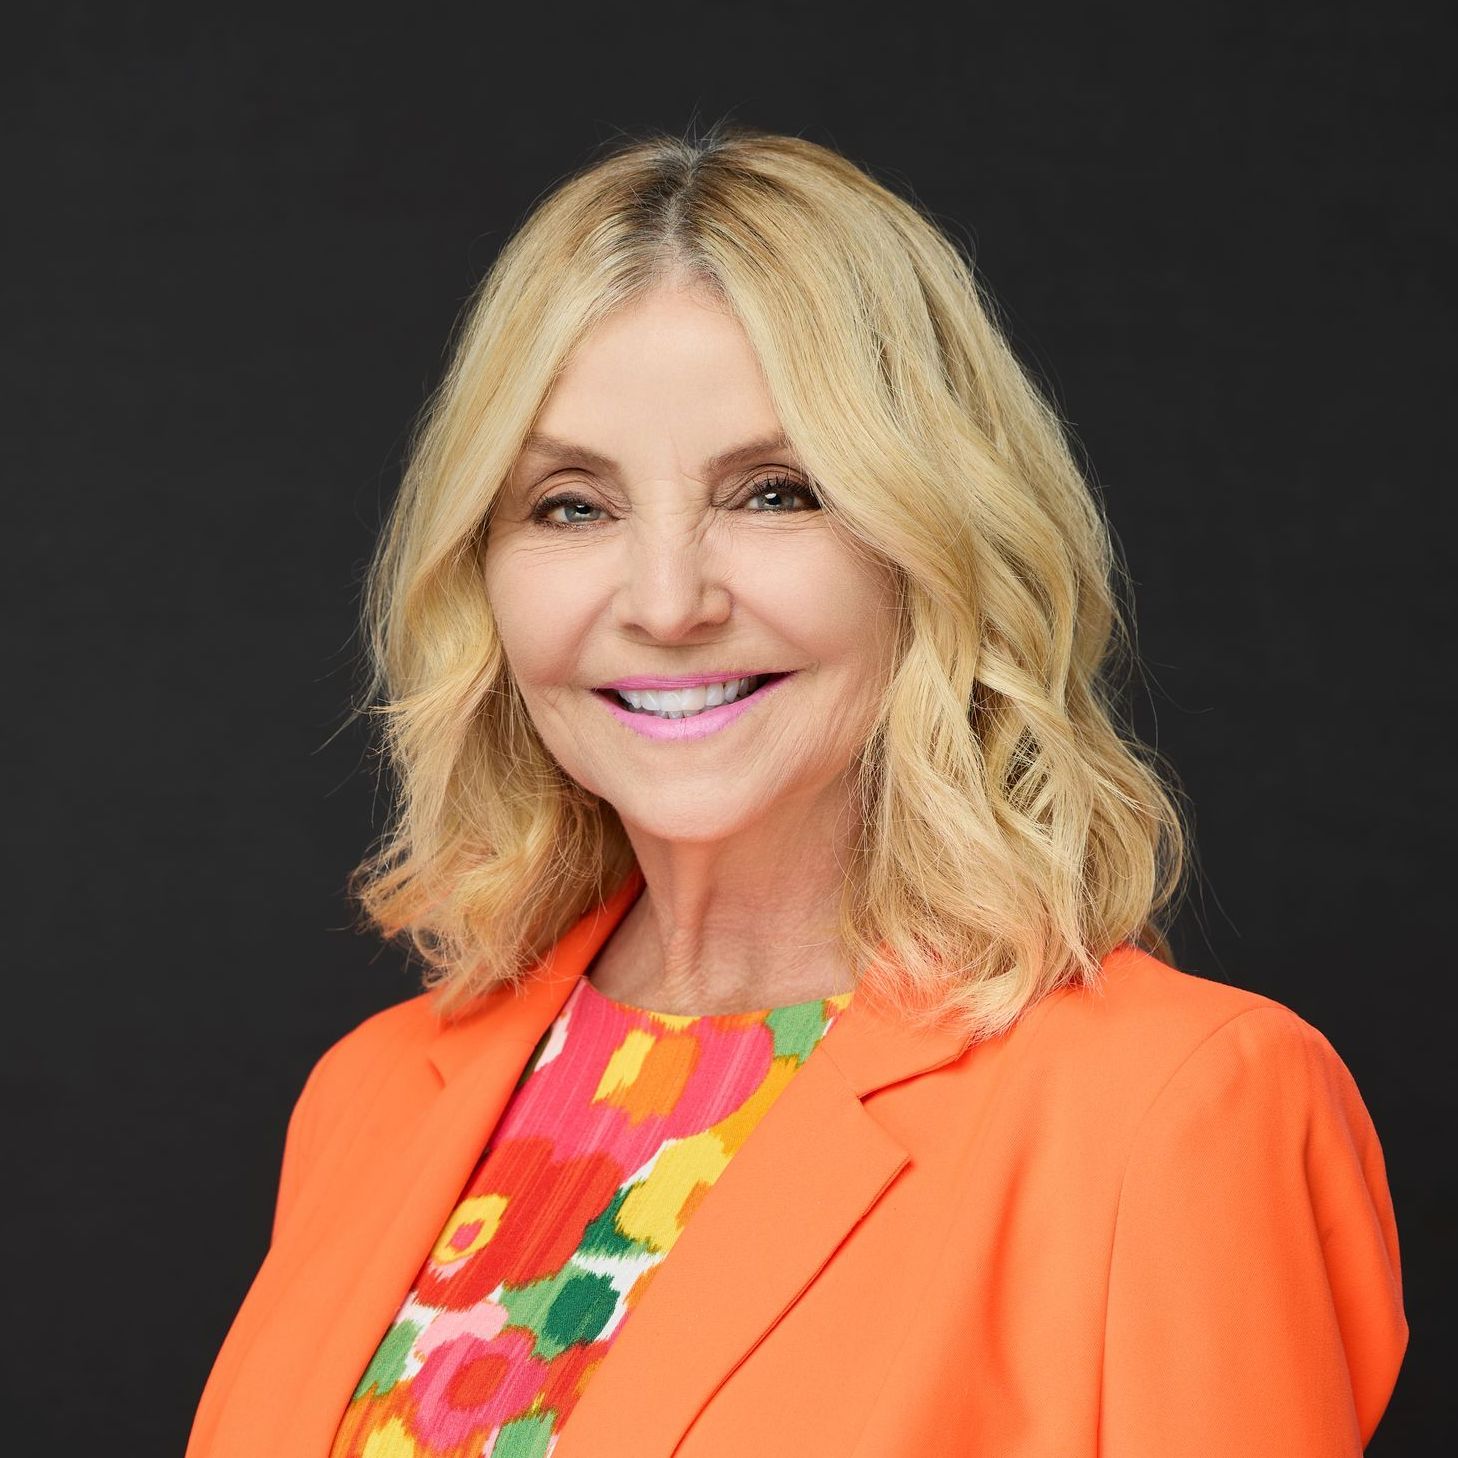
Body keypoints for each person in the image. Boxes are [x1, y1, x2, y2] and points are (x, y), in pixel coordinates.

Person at [185, 125, 1408, 1458]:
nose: (666, 603)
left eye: (774, 493)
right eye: (571, 505)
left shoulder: (1179, 1109)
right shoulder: (369, 1097)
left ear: (934, 545)